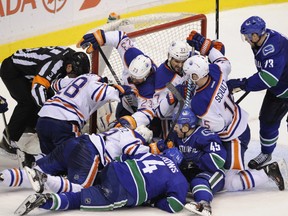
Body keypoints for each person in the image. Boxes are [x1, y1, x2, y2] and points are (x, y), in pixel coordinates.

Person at [151, 107, 287, 216]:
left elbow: (218, 159)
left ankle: (204, 204)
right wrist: (160, 146)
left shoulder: (204, 136)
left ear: (186, 127)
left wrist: (194, 159)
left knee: (202, 182)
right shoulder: (178, 134)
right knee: (230, 183)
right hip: (192, 171)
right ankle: (268, 172)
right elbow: (169, 144)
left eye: (177, 126)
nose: (174, 129)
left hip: (211, 172)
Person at [15, 151, 188, 216]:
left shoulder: (153, 155)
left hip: (113, 169)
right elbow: (175, 205)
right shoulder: (179, 178)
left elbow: (124, 157)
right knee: (78, 199)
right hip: (121, 190)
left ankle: (47, 178)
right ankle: (46, 200)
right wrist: (154, 200)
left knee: (84, 184)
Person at [1, 125, 154, 192]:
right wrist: (153, 151)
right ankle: (47, 180)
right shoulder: (136, 139)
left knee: (33, 171)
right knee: (80, 189)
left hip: (74, 143)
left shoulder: (120, 130)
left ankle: (3, 177)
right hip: (88, 152)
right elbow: (132, 151)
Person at [0, 47, 90, 155]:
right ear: (69, 66)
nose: (72, 77)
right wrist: (49, 112)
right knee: (27, 103)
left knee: (49, 97)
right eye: (73, 75)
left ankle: (28, 125)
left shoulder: (71, 59)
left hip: (31, 72)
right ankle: (8, 139)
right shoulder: (54, 66)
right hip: (13, 71)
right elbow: (38, 88)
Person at [226, 16, 288, 169]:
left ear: (255, 35)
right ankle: (266, 153)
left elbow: (269, 78)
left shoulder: (273, 46)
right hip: (280, 89)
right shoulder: (260, 41)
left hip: (281, 86)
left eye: (247, 36)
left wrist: (244, 83)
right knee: (267, 120)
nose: (246, 39)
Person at [34, 73, 137, 154]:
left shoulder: (80, 79)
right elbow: (118, 92)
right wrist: (129, 89)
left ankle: (34, 162)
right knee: (75, 157)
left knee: (49, 158)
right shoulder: (97, 86)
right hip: (64, 122)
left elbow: (55, 84)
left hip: (43, 117)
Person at [77, 30, 157, 131]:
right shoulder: (131, 55)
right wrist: (102, 37)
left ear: (146, 76)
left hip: (140, 112)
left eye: (136, 79)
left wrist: (133, 120)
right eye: (131, 75)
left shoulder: (151, 87)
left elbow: (147, 112)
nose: (132, 80)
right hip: (126, 103)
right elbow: (120, 38)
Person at [152, 40, 192, 138]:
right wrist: (175, 93)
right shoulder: (163, 76)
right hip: (173, 122)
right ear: (170, 57)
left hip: (192, 115)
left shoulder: (190, 60)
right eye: (177, 61)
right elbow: (160, 113)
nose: (181, 65)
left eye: (183, 61)